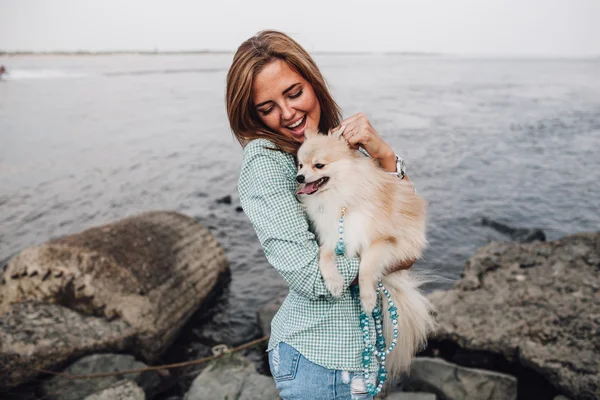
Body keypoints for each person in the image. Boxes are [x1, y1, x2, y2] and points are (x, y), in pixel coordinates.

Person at [227, 30, 414, 400]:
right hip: (321, 364)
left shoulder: (330, 147)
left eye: (294, 93)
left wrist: (386, 157)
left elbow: (405, 222)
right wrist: (384, 252)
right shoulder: (266, 162)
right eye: (267, 108)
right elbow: (312, 278)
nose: (288, 113)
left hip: (360, 355)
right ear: (254, 116)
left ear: (314, 83)